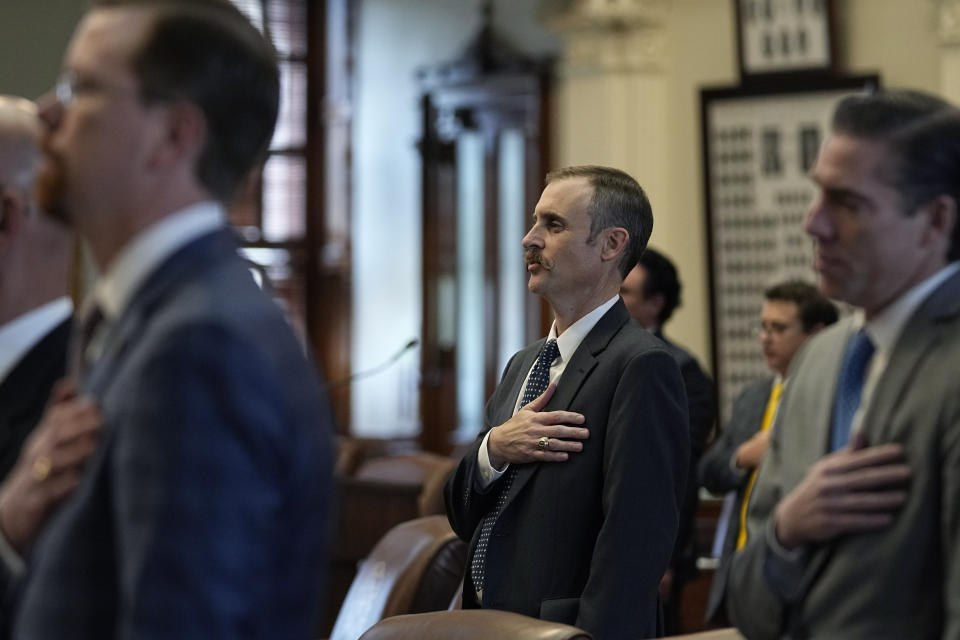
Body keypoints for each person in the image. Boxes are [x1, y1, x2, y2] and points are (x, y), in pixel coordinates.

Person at [13, 1, 334, 637]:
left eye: (81, 88)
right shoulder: (144, 317)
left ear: (173, 137)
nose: (47, 112)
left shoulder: (201, 347)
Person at [725, 89, 960, 639]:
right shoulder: (820, 359)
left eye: (848, 204)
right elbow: (745, 604)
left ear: (934, 220)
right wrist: (786, 531)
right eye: (817, 195)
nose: (814, 223)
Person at [445, 165, 689, 639]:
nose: (528, 239)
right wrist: (493, 448)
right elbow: (460, 514)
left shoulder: (641, 366)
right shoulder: (524, 363)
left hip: (566, 630)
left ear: (612, 245)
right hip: (483, 624)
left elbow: (634, 544)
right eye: (535, 222)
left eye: (553, 225)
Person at [698, 280, 836, 624]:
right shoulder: (753, 397)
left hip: (796, 575)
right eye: (763, 327)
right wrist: (742, 458)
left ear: (816, 334)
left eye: (779, 328)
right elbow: (709, 472)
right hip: (738, 568)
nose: (765, 337)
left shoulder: (831, 397)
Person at [619, 247, 714, 634]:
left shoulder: (684, 373)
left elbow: (677, 474)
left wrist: (663, 558)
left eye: (625, 292)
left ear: (655, 303)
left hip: (651, 554)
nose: (614, 299)